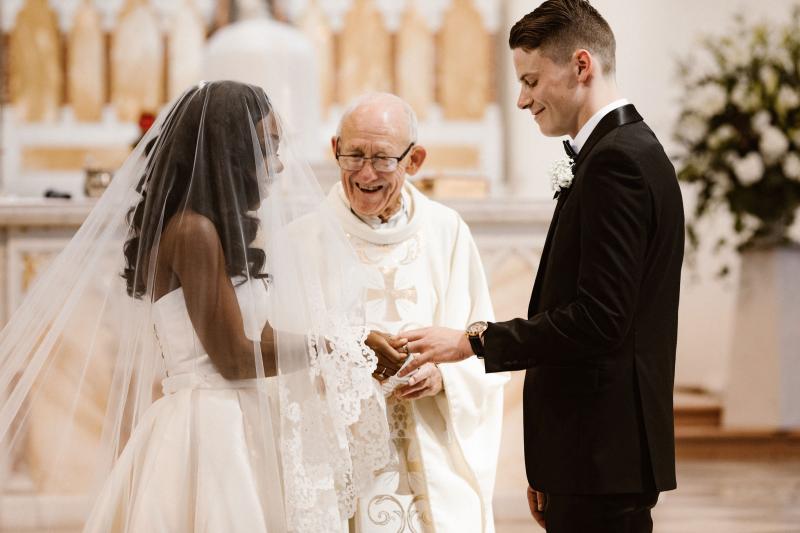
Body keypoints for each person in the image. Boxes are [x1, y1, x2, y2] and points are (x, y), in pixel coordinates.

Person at [0, 80, 402, 532]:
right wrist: (332, 350)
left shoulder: (214, 230)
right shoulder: (192, 232)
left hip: (241, 419)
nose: (279, 163)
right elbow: (232, 357)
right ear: (229, 152)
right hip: (209, 431)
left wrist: (350, 343)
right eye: (266, 148)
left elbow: (260, 337)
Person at [398, 2, 685, 532]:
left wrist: (474, 340)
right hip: (591, 453)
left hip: (598, 451)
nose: (522, 98)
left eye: (531, 80)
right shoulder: (622, 151)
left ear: (581, 66)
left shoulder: (616, 163)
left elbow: (601, 319)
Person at [328, 92, 508, 533]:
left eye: (384, 159)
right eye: (354, 154)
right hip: (345, 465)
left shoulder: (447, 232)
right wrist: (349, 356)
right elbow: (282, 365)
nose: (366, 173)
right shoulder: (305, 240)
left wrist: (444, 377)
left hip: (434, 453)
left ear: (415, 159)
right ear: (334, 150)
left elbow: (488, 352)